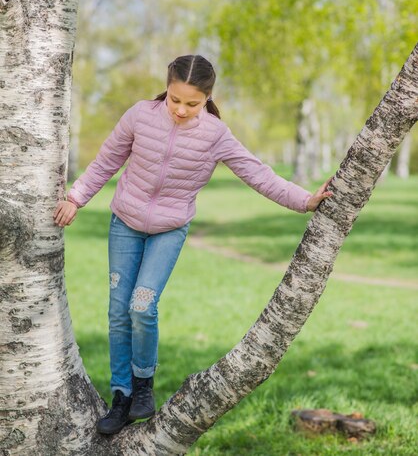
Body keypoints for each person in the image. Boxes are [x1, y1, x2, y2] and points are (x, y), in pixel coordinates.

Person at [53, 54, 333, 435]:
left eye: (192, 103)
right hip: (126, 223)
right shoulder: (139, 115)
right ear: (166, 90)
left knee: (142, 305)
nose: (181, 110)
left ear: (208, 98)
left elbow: (257, 172)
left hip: (169, 230)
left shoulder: (215, 135)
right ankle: (121, 396)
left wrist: (304, 200)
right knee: (119, 310)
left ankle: (142, 387)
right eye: (174, 100)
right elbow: (106, 160)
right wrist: (75, 197)